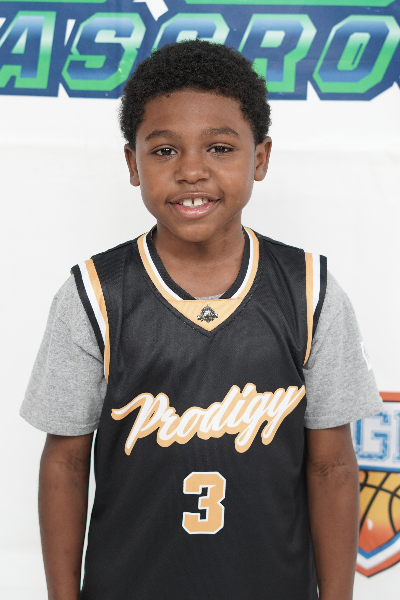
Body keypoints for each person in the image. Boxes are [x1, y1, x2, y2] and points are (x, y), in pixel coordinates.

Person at [21, 40, 382, 600]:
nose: (192, 170)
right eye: (165, 150)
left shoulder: (310, 291)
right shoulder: (94, 294)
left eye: (219, 147)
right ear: (132, 163)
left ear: (259, 158)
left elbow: (331, 466)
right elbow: (65, 465)